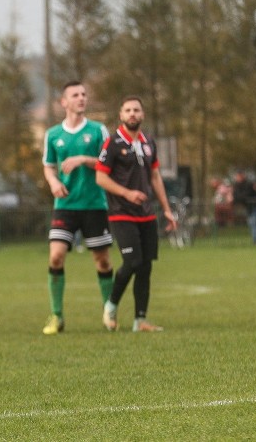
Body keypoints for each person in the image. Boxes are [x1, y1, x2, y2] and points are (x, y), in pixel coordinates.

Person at [96, 96, 176, 332]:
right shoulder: (112, 143)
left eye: (136, 110)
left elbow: (155, 177)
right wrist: (127, 193)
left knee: (146, 266)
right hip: (121, 213)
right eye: (128, 110)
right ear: (121, 115)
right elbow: (100, 177)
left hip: (147, 214)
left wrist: (167, 210)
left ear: (142, 114)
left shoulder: (149, 141)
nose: (132, 113)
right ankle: (110, 306)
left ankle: (140, 320)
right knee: (132, 261)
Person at [40, 80, 113, 335]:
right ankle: (57, 316)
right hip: (65, 205)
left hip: (94, 204)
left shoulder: (98, 131)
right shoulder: (53, 135)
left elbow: (108, 163)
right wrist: (53, 182)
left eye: (83, 94)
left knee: (102, 262)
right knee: (56, 256)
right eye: (75, 95)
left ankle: (109, 313)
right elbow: (49, 165)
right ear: (64, 102)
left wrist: (83, 159)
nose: (81, 98)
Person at [231, 169, 256, 245]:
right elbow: (235, 196)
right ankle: (255, 240)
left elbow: (245, 196)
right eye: (237, 176)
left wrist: (238, 197)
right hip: (248, 208)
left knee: (254, 224)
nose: (237, 178)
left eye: (239, 176)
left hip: (255, 206)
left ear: (242, 176)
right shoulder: (236, 185)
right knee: (251, 224)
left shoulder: (249, 184)